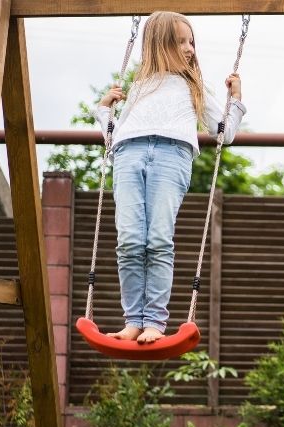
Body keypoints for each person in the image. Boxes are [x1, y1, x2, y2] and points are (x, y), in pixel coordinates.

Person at [95, 11, 246, 344]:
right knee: (130, 240)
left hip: (171, 157)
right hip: (128, 153)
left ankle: (154, 322)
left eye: (191, 41)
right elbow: (113, 135)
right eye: (181, 42)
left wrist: (235, 99)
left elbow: (224, 133)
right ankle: (133, 320)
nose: (190, 48)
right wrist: (104, 110)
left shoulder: (194, 86)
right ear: (159, 44)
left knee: (158, 240)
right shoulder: (138, 87)